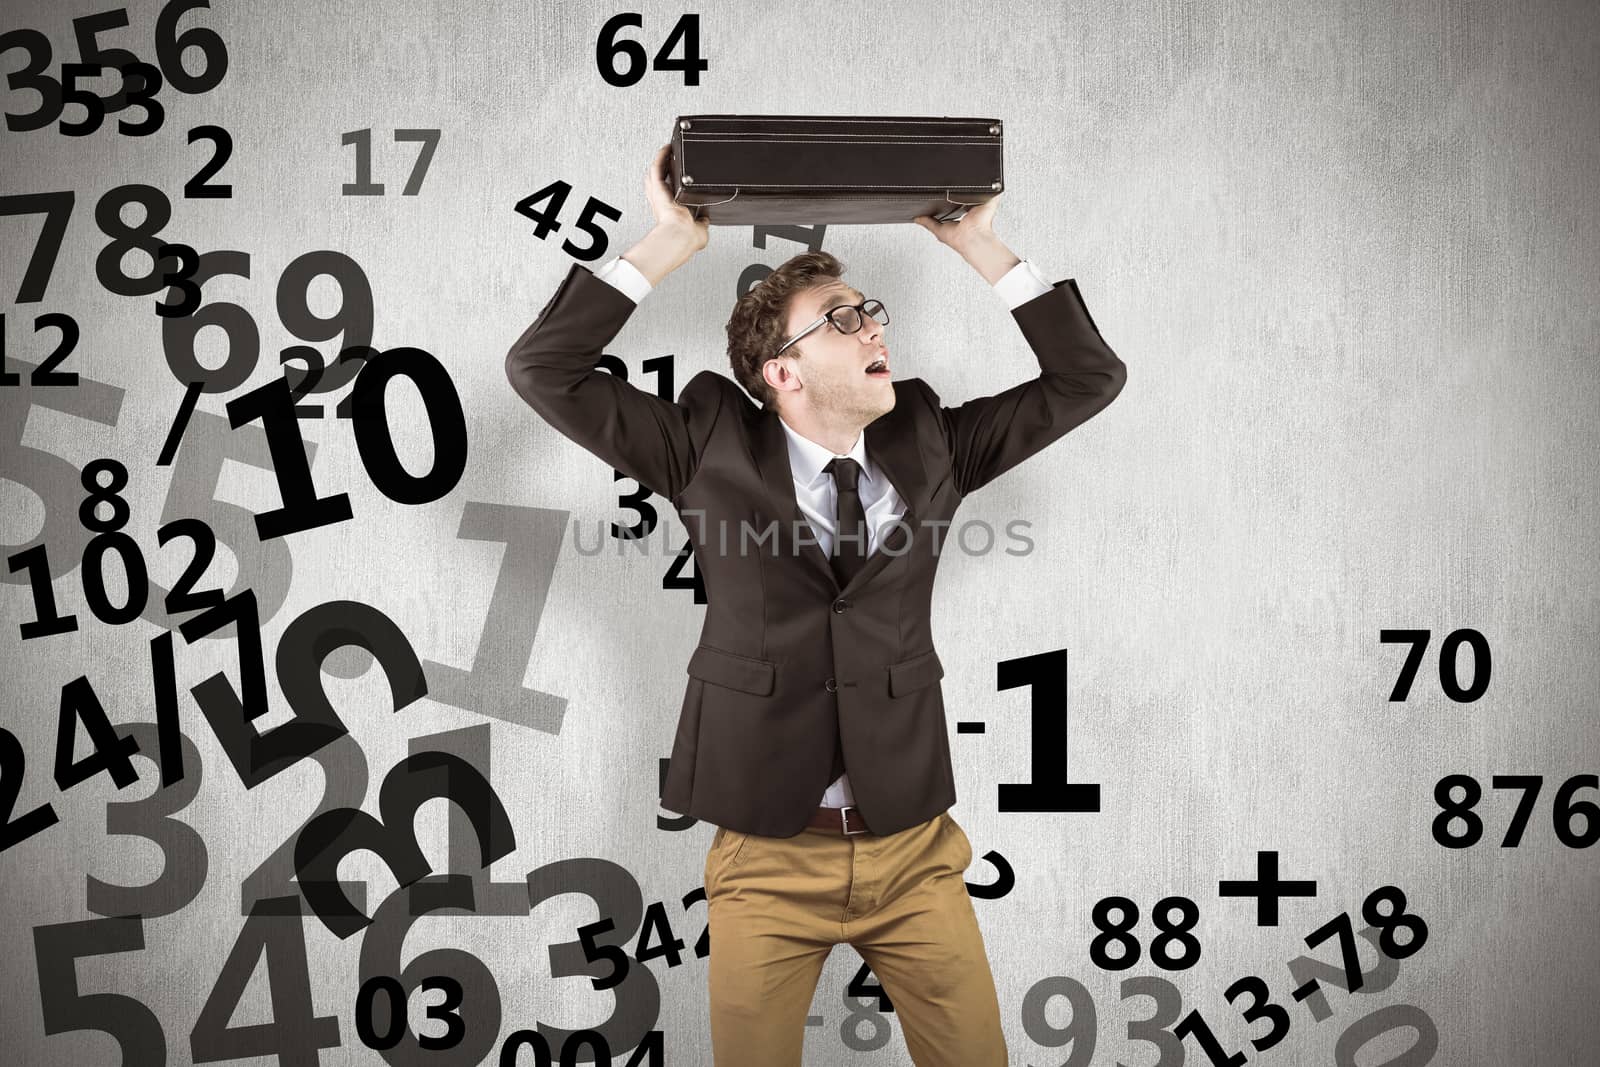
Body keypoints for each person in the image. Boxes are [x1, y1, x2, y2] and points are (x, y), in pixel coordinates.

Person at [506, 143, 1126, 1065]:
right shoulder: (705, 444)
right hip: (766, 855)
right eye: (842, 320)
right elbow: (544, 369)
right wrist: (672, 240)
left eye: (871, 311)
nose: (876, 329)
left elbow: (1087, 380)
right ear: (781, 372)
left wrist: (981, 248)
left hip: (915, 851)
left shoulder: (932, 443)